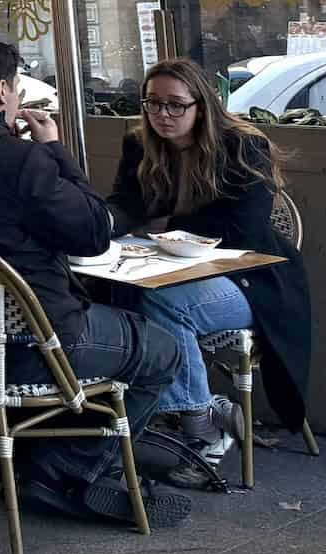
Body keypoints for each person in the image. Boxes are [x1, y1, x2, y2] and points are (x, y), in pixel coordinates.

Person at [0, 35, 192, 528]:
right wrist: (53, 151)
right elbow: (93, 232)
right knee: (161, 350)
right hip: (33, 345)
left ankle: (38, 453)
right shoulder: (16, 160)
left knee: (109, 325)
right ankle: (67, 468)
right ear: (4, 89)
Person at [108, 58, 311, 467]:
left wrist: (167, 223)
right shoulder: (139, 144)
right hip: (171, 267)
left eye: (175, 105)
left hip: (251, 278)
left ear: (203, 105)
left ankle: (201, 427)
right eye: (152, 103)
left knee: (165, 304)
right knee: (113, 291)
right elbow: (128, 204)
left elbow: (244, 228)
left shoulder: (242, 144)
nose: (163, 114)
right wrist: (104, 221)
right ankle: (201, 405)